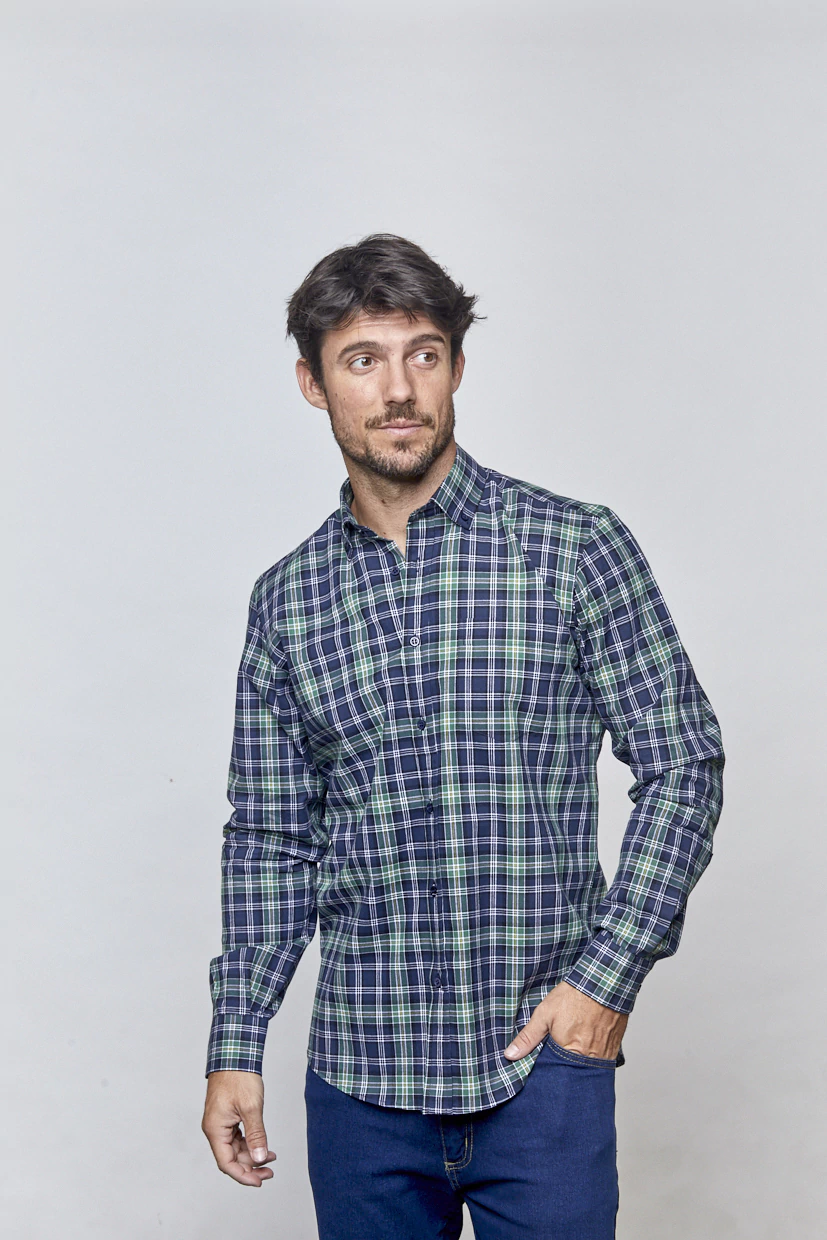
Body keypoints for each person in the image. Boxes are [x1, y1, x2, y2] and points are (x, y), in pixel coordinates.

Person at [201, 234, 725, 1239]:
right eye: (362, 359)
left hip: (541, 1069)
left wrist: (605, 980)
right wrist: (236, 1045)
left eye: (423, 354)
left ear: (455, 367)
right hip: (359, 1085)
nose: (398, 389)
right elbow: (270, 837)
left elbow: (681, 764)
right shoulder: (287, 601)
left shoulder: (574, 548)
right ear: (313, 383)